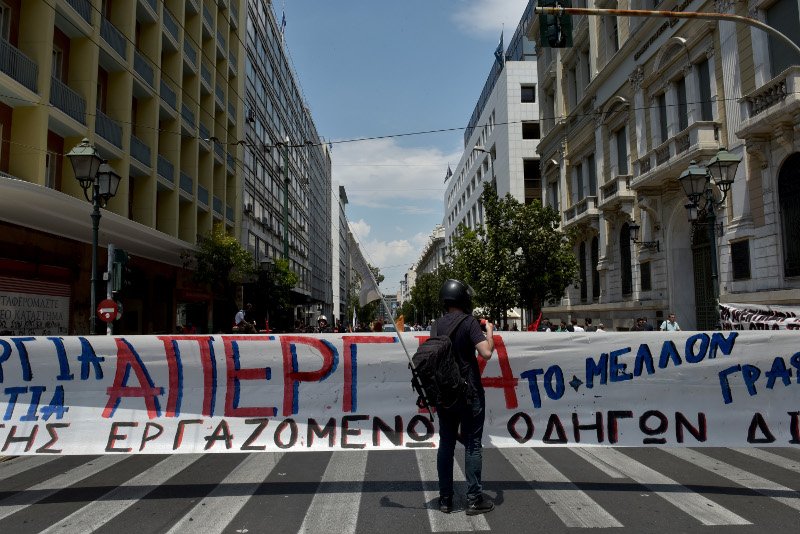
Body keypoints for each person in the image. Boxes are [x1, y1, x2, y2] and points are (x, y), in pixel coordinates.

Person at [434, 279, 495, 516]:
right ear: (463, 299)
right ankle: (473, 499)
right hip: (469, 394)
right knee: (472, 444)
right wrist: (488, 332)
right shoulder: (469, 322)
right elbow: (486, 353)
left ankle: (445, 499)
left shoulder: (436, 325)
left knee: (446, 443)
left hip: (444, 395)